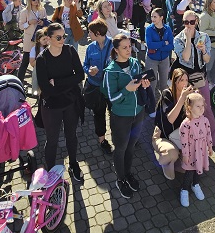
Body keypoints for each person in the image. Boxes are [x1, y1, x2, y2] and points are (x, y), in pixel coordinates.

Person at [36, 23, 85, 183]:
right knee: (52, 140)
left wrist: (57, 82)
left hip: (70, 103)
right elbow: (46, 89)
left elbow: (80, 76)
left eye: (64, 36)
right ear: (48, 39)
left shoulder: (70, 51)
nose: (63, 39)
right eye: (58, 37)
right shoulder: (42, 59)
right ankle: (50, 171)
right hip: (52, 106)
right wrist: (67, 84)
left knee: (72, 135)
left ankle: (73, 163)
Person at [103, 34, 151, 199]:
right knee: (121, 148)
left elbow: (140, 86)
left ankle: (128, 173)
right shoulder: (110, 71)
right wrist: (126, 90)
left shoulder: (136, 63)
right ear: (116, 50)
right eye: (124, 47)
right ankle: (120, 179)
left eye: (129, 46)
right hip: (121, 117)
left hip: (138, 113)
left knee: (131, 146)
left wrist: (144, 85)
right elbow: (111, 98)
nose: (128, 50)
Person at [173, 11, 215, 153]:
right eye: (186, 22)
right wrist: (189, 41)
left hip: (200, 78)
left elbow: (207, 60)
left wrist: (203, 51)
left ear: (196, 21)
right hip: (185, 81)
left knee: (206, 109)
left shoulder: (204, 37)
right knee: (186, 111)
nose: (189, 25)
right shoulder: (178, 39)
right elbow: (185, 57)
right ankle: (189, 143)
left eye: (192, 22)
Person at [82, 19, 114, 155]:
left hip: (111, 88)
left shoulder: (114, 45)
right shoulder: (90, 47)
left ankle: (118, 136)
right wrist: (89, 70)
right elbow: (85, 64)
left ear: (98, 33)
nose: (88, 34)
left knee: (115, 113)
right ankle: (102, 140)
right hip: (96, 87)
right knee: (99, 114)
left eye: (90, 32)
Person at [153, 68, 191, 180]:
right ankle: (163, 159)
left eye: (186, 80)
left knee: (188, 165)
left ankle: (177, 157)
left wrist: (195, 102)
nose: (184, 83)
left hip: (178, 135)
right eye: (181, 80)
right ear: (174, 81)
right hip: (162, 135)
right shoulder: (167, 94)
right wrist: (182, 99)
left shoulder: (188, 95)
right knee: (171, 154)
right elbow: (169, 120)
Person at [178, 92, 212, 208]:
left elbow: (208, 134)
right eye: (198, 106)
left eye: (202, 106)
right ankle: (184, 189)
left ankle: (195, 184)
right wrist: (185, 155)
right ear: (189, 108)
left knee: (200, 168)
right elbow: (184, 142)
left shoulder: (205, 120)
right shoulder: (185, 125)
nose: (201, 108)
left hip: (202, 151)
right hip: (192, 152)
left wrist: (210, 146)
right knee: (190, 171)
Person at [18, 0, 49, 82]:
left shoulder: (42, 10)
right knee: (25, 62)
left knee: (42, 61)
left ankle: (42, 81)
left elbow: (46, 22)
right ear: (29, 1)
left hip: (41, 40)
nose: (36, 1)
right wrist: (29, 22)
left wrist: (43, 23)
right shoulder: (24, 12)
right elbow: (20, 26)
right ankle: (20, 81)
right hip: (29, 39)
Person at [144, 8, 174, 93]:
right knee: (152, 83)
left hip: (164, 59)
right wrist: (164, 43)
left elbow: (171, 46)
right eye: (151, 16)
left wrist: (157, 47)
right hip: (152, 59)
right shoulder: (149, 29)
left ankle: (164, 103)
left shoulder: (167, 29)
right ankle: (151, 104)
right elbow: (149, 45)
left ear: (161, 18)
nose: (152, 19)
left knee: (164, 84)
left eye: (155, 17)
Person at [198, 0, 215, 86]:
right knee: (208, 67)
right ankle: (205, 85)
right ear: (209, 3)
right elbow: (202, 31)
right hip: (209, 46)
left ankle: (212, 84)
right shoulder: (204, 16)